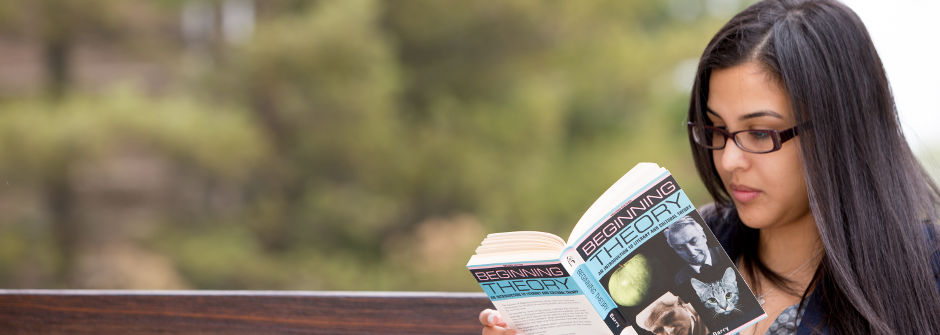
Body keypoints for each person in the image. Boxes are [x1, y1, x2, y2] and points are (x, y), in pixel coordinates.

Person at [481, 0, 940, 334]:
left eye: (760, 133)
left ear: (839, 131)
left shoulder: (924, 274)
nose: (728, 159)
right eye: (716, 130)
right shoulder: (687, 242)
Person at [664, 216, 724, 285]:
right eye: (680, 248)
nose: (691, 252)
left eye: (694, 241)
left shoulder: (727, 252)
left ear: (704, 236)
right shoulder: (680, 279)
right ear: (675, 250)